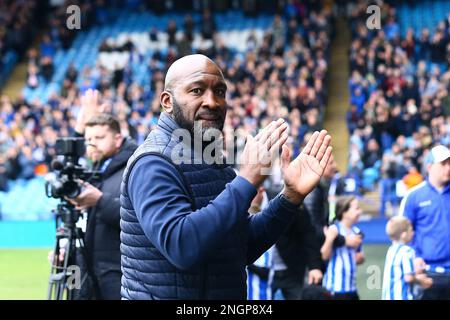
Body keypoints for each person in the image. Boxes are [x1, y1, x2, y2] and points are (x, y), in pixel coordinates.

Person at [120, 54, 333, 300]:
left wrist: (290, 197)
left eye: (220, 91)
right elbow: (182, 246)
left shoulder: (211, 160)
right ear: (167, 101)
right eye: (197, 91)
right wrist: (246, 181)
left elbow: (239, 247)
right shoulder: (154, 162)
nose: (212, 101)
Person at [68, 90, 137, 299]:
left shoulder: (134, 167)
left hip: (120, 273)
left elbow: (138, 218)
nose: (92, 144)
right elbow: (64, 173)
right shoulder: (94, 170)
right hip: (87, 270)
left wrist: (99, 201)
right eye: (88, 139)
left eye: (99, 137)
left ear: (118, 139)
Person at [399, 144, 450, 300]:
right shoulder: (414, 196)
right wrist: (413, 260)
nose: (448, 167)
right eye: (443, 164)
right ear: (429, 167)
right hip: (427, 274)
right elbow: (401, 235)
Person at [321, 196, 365, 300]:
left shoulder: (357, 231)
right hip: (334, 288)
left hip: (351, 288)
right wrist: (329, 239)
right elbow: (324, 255)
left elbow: (360, 257)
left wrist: (360, 258)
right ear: (344, 212)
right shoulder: (334, 229)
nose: (360, 211)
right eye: (356, 208)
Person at [381, 216, 433, 300]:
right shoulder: (407, 251)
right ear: (404, 235)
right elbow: (408, 277)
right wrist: (421, 280)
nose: (413, 233)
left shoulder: (391, 250)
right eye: (411, 230)